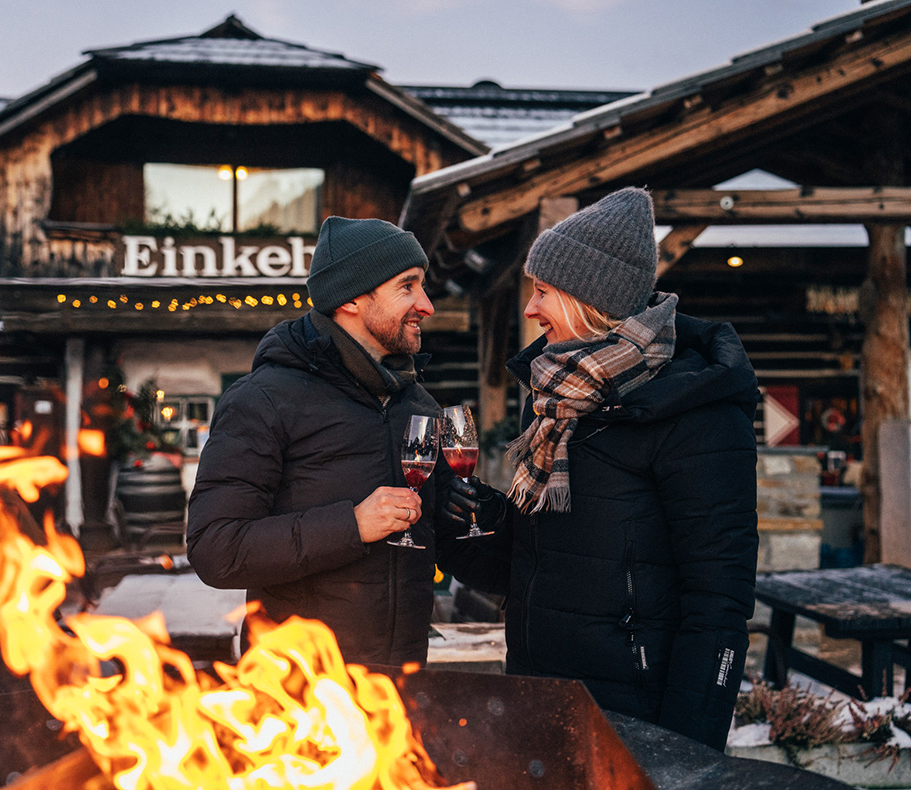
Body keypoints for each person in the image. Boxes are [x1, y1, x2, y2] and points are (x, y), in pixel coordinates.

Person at [438, 187, 760, 750]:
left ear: (590, 300)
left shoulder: (696, 411)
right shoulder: (556, 401)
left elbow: (718, 602)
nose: (531, 310)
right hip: (541, 696)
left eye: (541, 293)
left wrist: (684, 752)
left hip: (634, 714)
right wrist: (461, 511)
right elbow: (527, 565)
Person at [186, 216, 450, 666]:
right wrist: (352, 525)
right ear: (351, 297)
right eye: (407, 286)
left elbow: (445, 535)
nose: (426, 304)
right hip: (299, 700)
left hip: (399, 693)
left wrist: (479, 515)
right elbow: (215, 548)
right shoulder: (263, 400)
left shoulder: (418, 404)